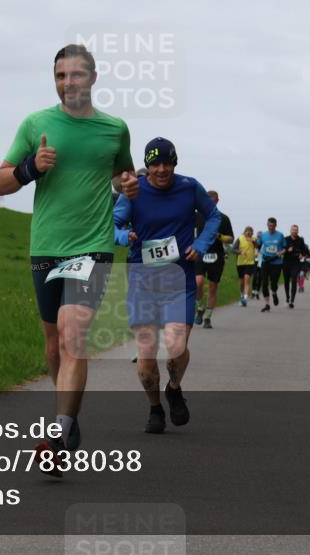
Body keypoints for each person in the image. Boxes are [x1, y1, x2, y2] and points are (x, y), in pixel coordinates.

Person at [0, 44, 138, 475]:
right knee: (54, 342)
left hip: (92, 246)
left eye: (76, 75)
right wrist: (30, 168)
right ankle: (69, 413)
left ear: (93, 78)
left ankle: (57, 432)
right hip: (46, 244)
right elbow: (1, 184)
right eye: (60, 76)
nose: (68, 83)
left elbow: (120, 173)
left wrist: (128, 185)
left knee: (72, 332)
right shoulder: (36, 124)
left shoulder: (114, 128)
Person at [114, 137, 221, 434]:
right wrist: (125, 237)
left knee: (176, 345)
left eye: (167, 162)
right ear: (146, 166)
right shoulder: (134, 191)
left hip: (179, 278)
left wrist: (201, 243)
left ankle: (174, 388)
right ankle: (155, 408)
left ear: (175, 162)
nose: (161, 169)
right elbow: (112, 224)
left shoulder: (189, 187)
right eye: (154, 164)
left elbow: (212, 216)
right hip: (142, 279)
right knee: (146, 352)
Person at [194, 191, 233, 329]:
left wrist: (220, 236)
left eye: (213, 200)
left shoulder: (223, 218)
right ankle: (200, 307)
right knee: (197, 282)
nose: (211, 202)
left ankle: (208, 317)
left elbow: (230, 238)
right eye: (208, 200)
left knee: (212, 287)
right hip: (199, 253)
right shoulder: (197, 215)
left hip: (216, 255)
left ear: (217, 201)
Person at [257, 217, 287, 312]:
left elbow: (285, 248)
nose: (270, 227)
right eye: (269, 225)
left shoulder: (280, 235)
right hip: (266, 262)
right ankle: (267, 304)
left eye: (272, 226)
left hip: (276, 263)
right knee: (264, 283)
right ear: (267, 225)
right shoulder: (263, 235)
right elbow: (258, 246)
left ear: (275, 226)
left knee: (273, 283)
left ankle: (274, 292)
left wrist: (281, 252)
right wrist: (258, 253)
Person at [282, 224, 310, 309]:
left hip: (295, 263)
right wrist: (287, 250)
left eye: (296, 230)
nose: (294, 231)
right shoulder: (286, 239)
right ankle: (287, 297)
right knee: (286, 281)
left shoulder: (300, 240)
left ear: (298, 231)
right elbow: (282, 250)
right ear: (290, 231)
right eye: (293, 230)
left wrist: (303, 255)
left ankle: (292, 301)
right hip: (286, 262)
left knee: (294, 280)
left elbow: (305, 252)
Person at [232, 226, 257, 306]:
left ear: (252, 233)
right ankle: (242, 295)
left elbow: (257, 247)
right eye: (247, 231)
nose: (248, 233)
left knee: (247, 279)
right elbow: (233, 249)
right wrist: (240, 252)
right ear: (244, 232)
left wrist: (256, 250)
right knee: (242, 282)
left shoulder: (254, 240)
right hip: (240, 263)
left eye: (250, 232)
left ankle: (245, 298)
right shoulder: (240, 239)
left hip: (250, 263)